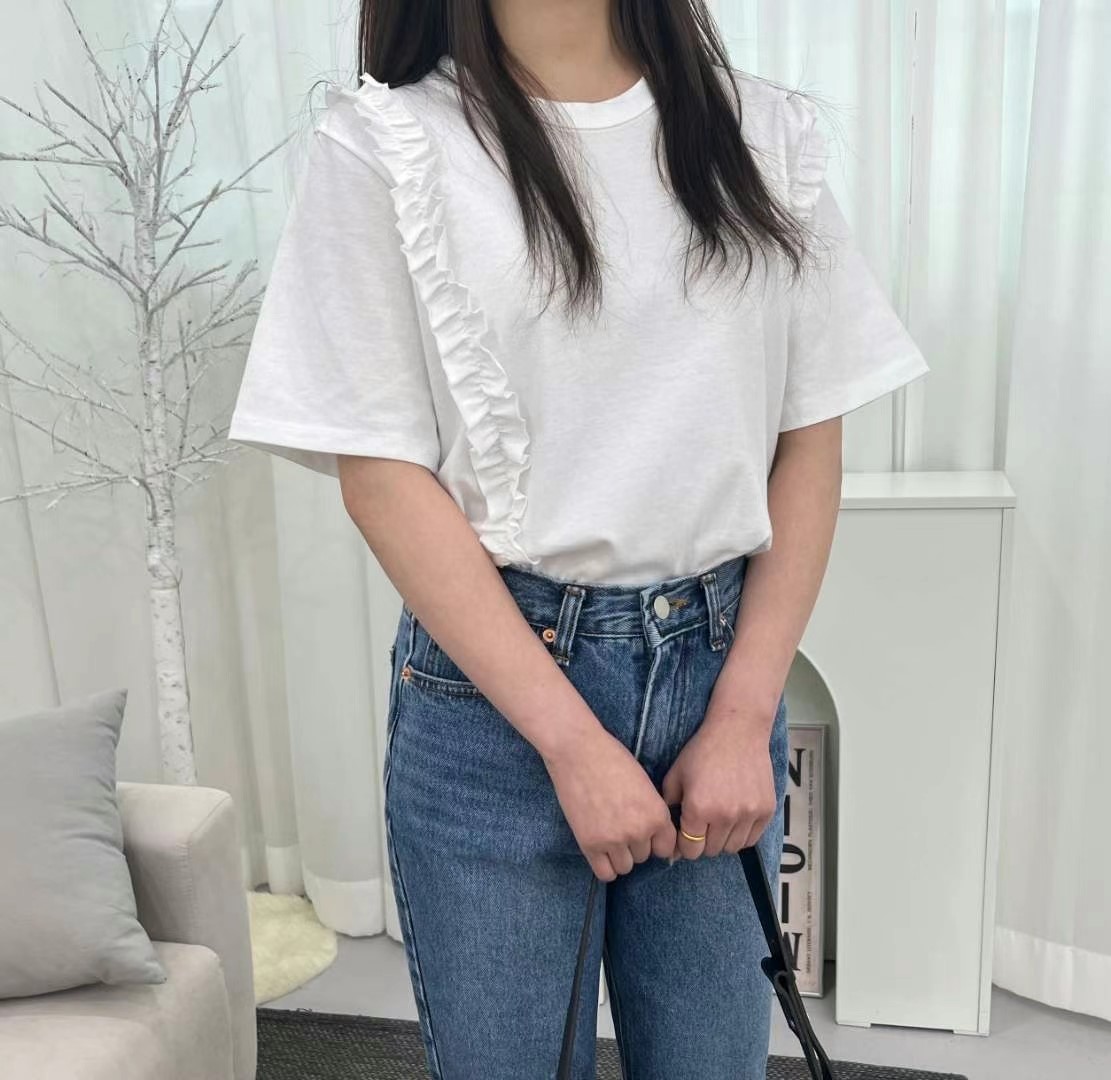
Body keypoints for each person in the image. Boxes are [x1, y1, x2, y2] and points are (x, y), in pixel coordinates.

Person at [227, 1, 929, 1076]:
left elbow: (808, 438)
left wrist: (744, 714)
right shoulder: (386, 145)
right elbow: (380, 473)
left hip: (717, 670)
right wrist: (570, 742)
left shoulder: (760, 133)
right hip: (495, 699)